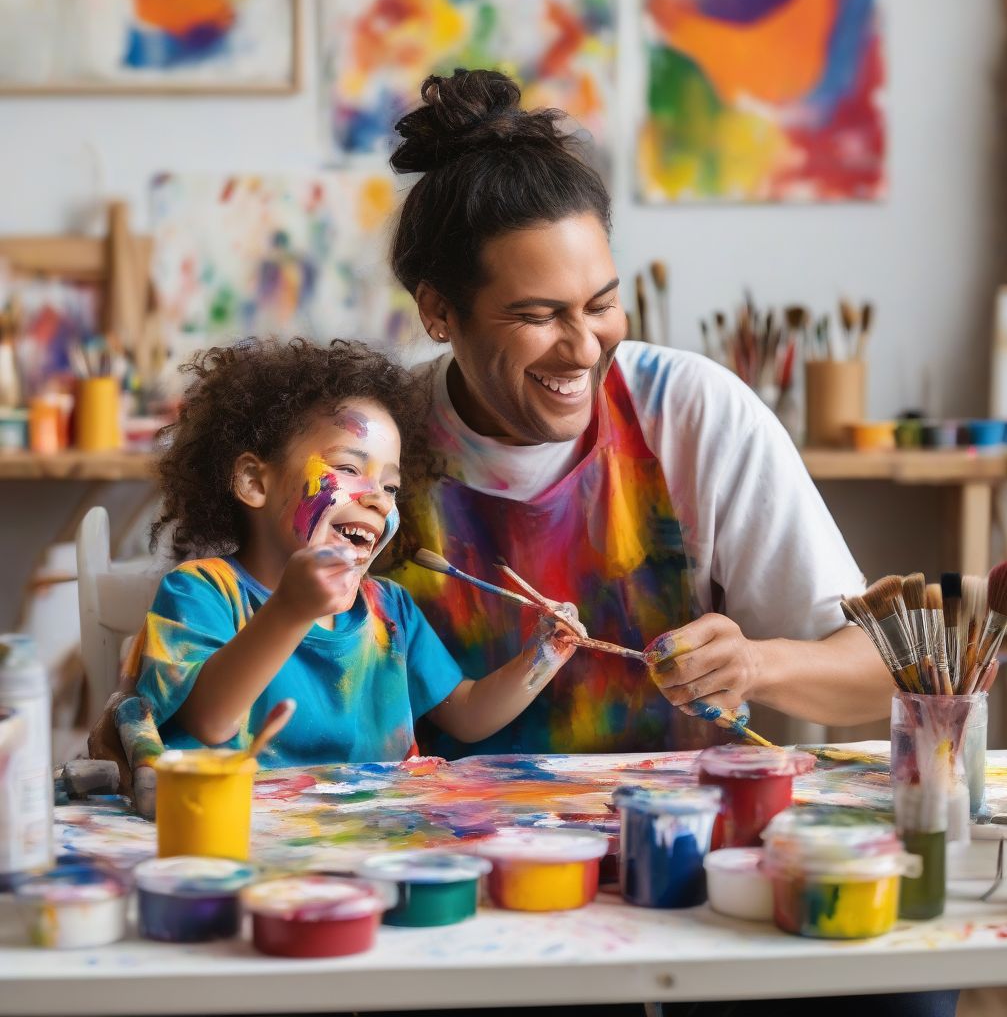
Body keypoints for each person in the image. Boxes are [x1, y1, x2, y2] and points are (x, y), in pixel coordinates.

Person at [384, 68, 892, 760]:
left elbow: (877, 676)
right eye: (538, 316)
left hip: (673, 845)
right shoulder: (375, 444)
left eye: (600, 305)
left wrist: (758, 664)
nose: (584, 347)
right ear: (439, 311)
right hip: (439, 844)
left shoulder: (690, 411)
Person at [116, 338, 578, 767]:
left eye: (391, 485)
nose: (379, 499)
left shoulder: (389, 612)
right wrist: (292, 610)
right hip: (245, 835)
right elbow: (210, 721)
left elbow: (467, 715)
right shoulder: (204, 593)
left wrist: (541, 658)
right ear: (255, 482)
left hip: (373, 839)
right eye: (349, 468)